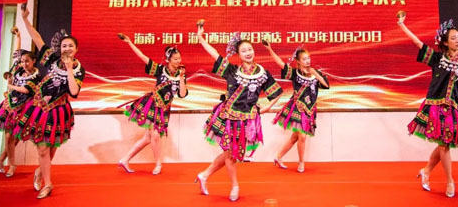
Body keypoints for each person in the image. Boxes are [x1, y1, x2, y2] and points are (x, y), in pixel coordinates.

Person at [195, 22, 283, 202]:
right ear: (239, 54)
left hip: (247, 120)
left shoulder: (262, 73)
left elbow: (277, 93)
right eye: (244, 51)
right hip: (228, 117)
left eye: (250, 49)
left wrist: (267, 107)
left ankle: (204, 175)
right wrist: (200, 38)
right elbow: (214, 54)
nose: (248, 53)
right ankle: (235, 186)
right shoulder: (231, 71)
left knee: (232, 154)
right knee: (231, 154)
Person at [397, 13, 458, 198]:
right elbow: (418, 43)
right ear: (446, 43)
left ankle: (426, 170)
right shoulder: (438, 58)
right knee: (443, 145)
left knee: (444, 144)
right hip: (437, 107)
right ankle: (450, 181)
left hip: (455, 108)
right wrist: (402, 25)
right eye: (453, 38)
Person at [12, 6, 86, 199]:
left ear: (76, 49)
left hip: (58, 111)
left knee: (51, 148)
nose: (67, 49)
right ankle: (48, 184)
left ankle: (39, 171)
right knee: (43, 148)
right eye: (64, 46)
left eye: (70, 46)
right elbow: (37, 38)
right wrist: (25, 19)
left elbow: (74, 92)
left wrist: (69, 69)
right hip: (39, 108)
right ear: (60, 49)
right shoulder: (52, 59)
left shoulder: (78, 69)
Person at [117, 34, 188, 175]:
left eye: (179, 58)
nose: (178, 61)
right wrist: (130, 42)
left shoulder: (181, 74)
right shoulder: (160, 69)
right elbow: (143, 57)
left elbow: (182, 94)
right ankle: (158, 164)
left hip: (165, 109)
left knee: (147, 138)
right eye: (175, 59)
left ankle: (124, 160)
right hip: (153, 105)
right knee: (155, 136)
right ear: (168, 60)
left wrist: (181, 78)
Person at [263, 42, 329, 173]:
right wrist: (270, 49)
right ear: (298, 61)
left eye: (308, 58)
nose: (307, 61)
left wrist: (314, 72)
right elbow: (280, 64)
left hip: (309, 109)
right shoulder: (295, 73)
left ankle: (278, 157)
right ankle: (301, 162)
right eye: (304, 59)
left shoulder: (314, 73)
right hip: (297, 107)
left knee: (295, 137)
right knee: (302, 136)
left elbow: (326, 85)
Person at [0, 27, 39, 177]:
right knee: (9, 136)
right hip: (10, 106)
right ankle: (12, 165)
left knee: (15, 139)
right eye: (23, 61)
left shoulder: (36, 76)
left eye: (27, 61)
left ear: (34, 61)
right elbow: (17, 54)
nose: (24, 63)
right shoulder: (18, 69)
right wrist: (19, 37)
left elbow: (26, 90)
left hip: (24, 109)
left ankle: (0, 160)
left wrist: (11, 86)